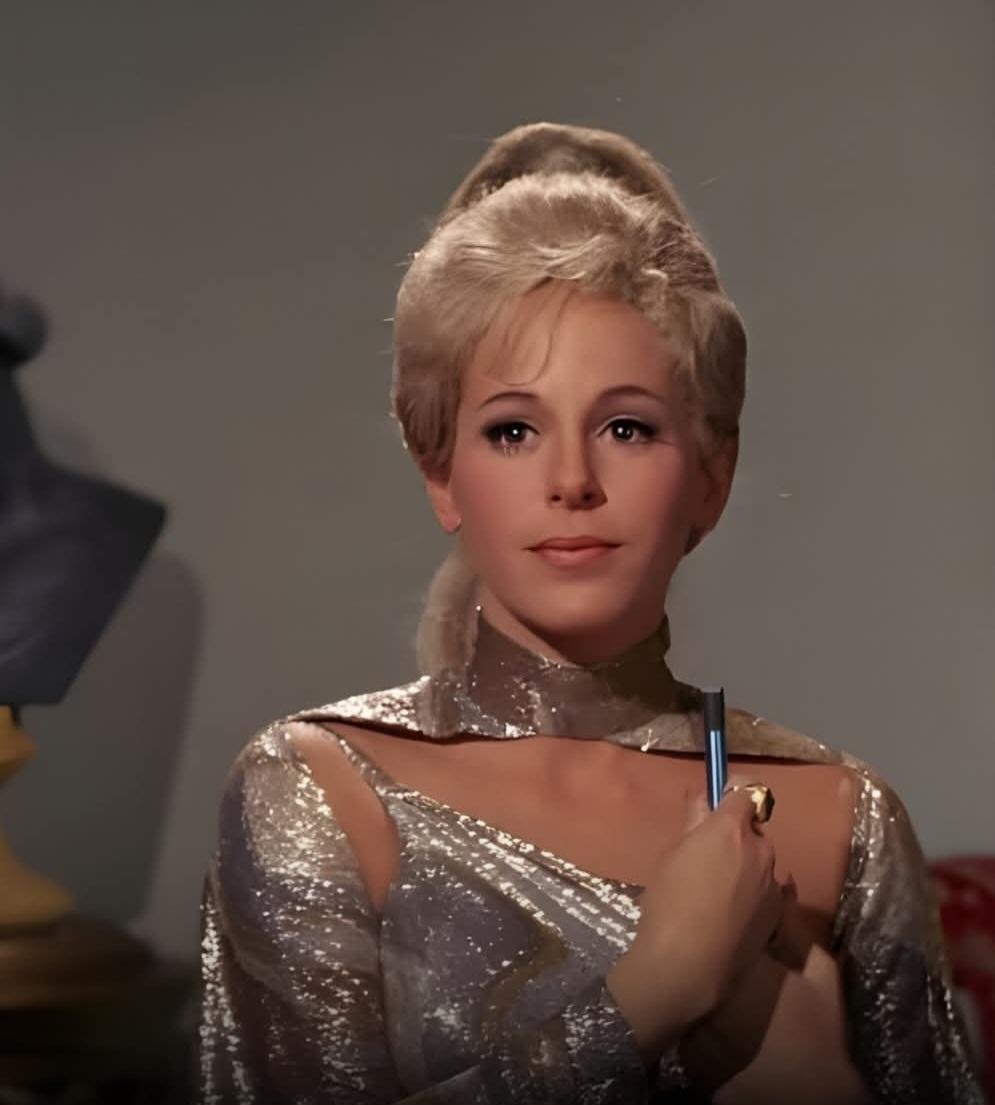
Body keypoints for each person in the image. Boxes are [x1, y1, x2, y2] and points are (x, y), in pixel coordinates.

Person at [194, 123, 985, 1104]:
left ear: (710, 477)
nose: (571, 478)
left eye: (625, 426)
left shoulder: (837, 816)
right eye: (512, 430)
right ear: (440, 473)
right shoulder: (319, 786)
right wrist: (655, 989)